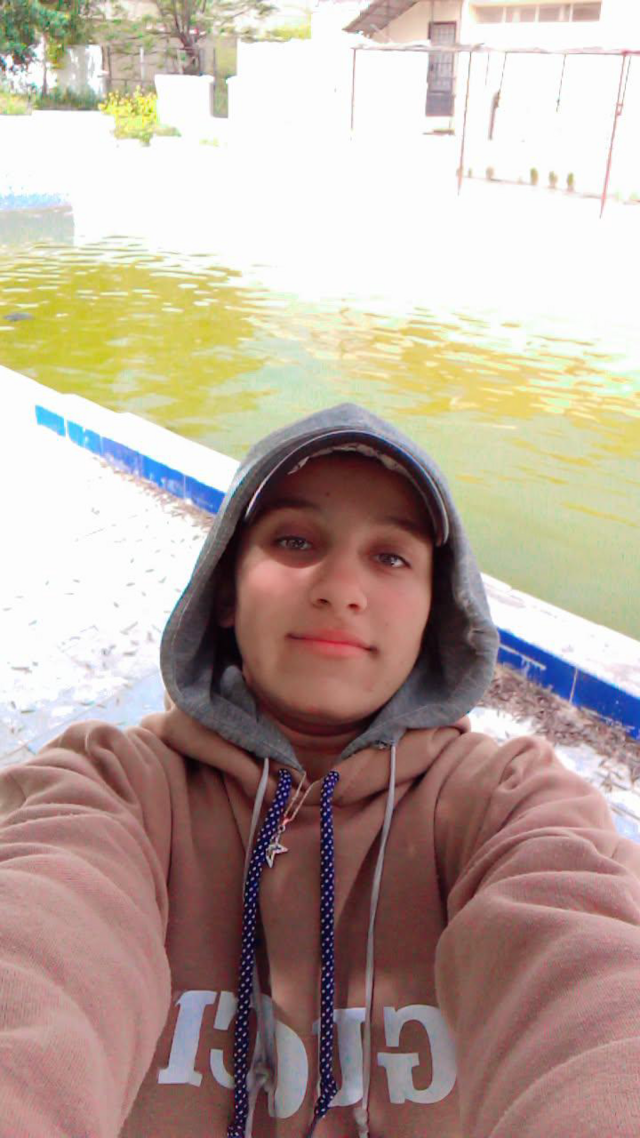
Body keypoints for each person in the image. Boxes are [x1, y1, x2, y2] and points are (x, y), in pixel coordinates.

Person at [1, 401, 640, 1138]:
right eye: (295, 540)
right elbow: (36, 951)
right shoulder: (110, 783)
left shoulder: (510, 801)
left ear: (434, 613)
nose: (341, 588)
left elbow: (593, 982)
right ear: (226, 592)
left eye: (391, 556)